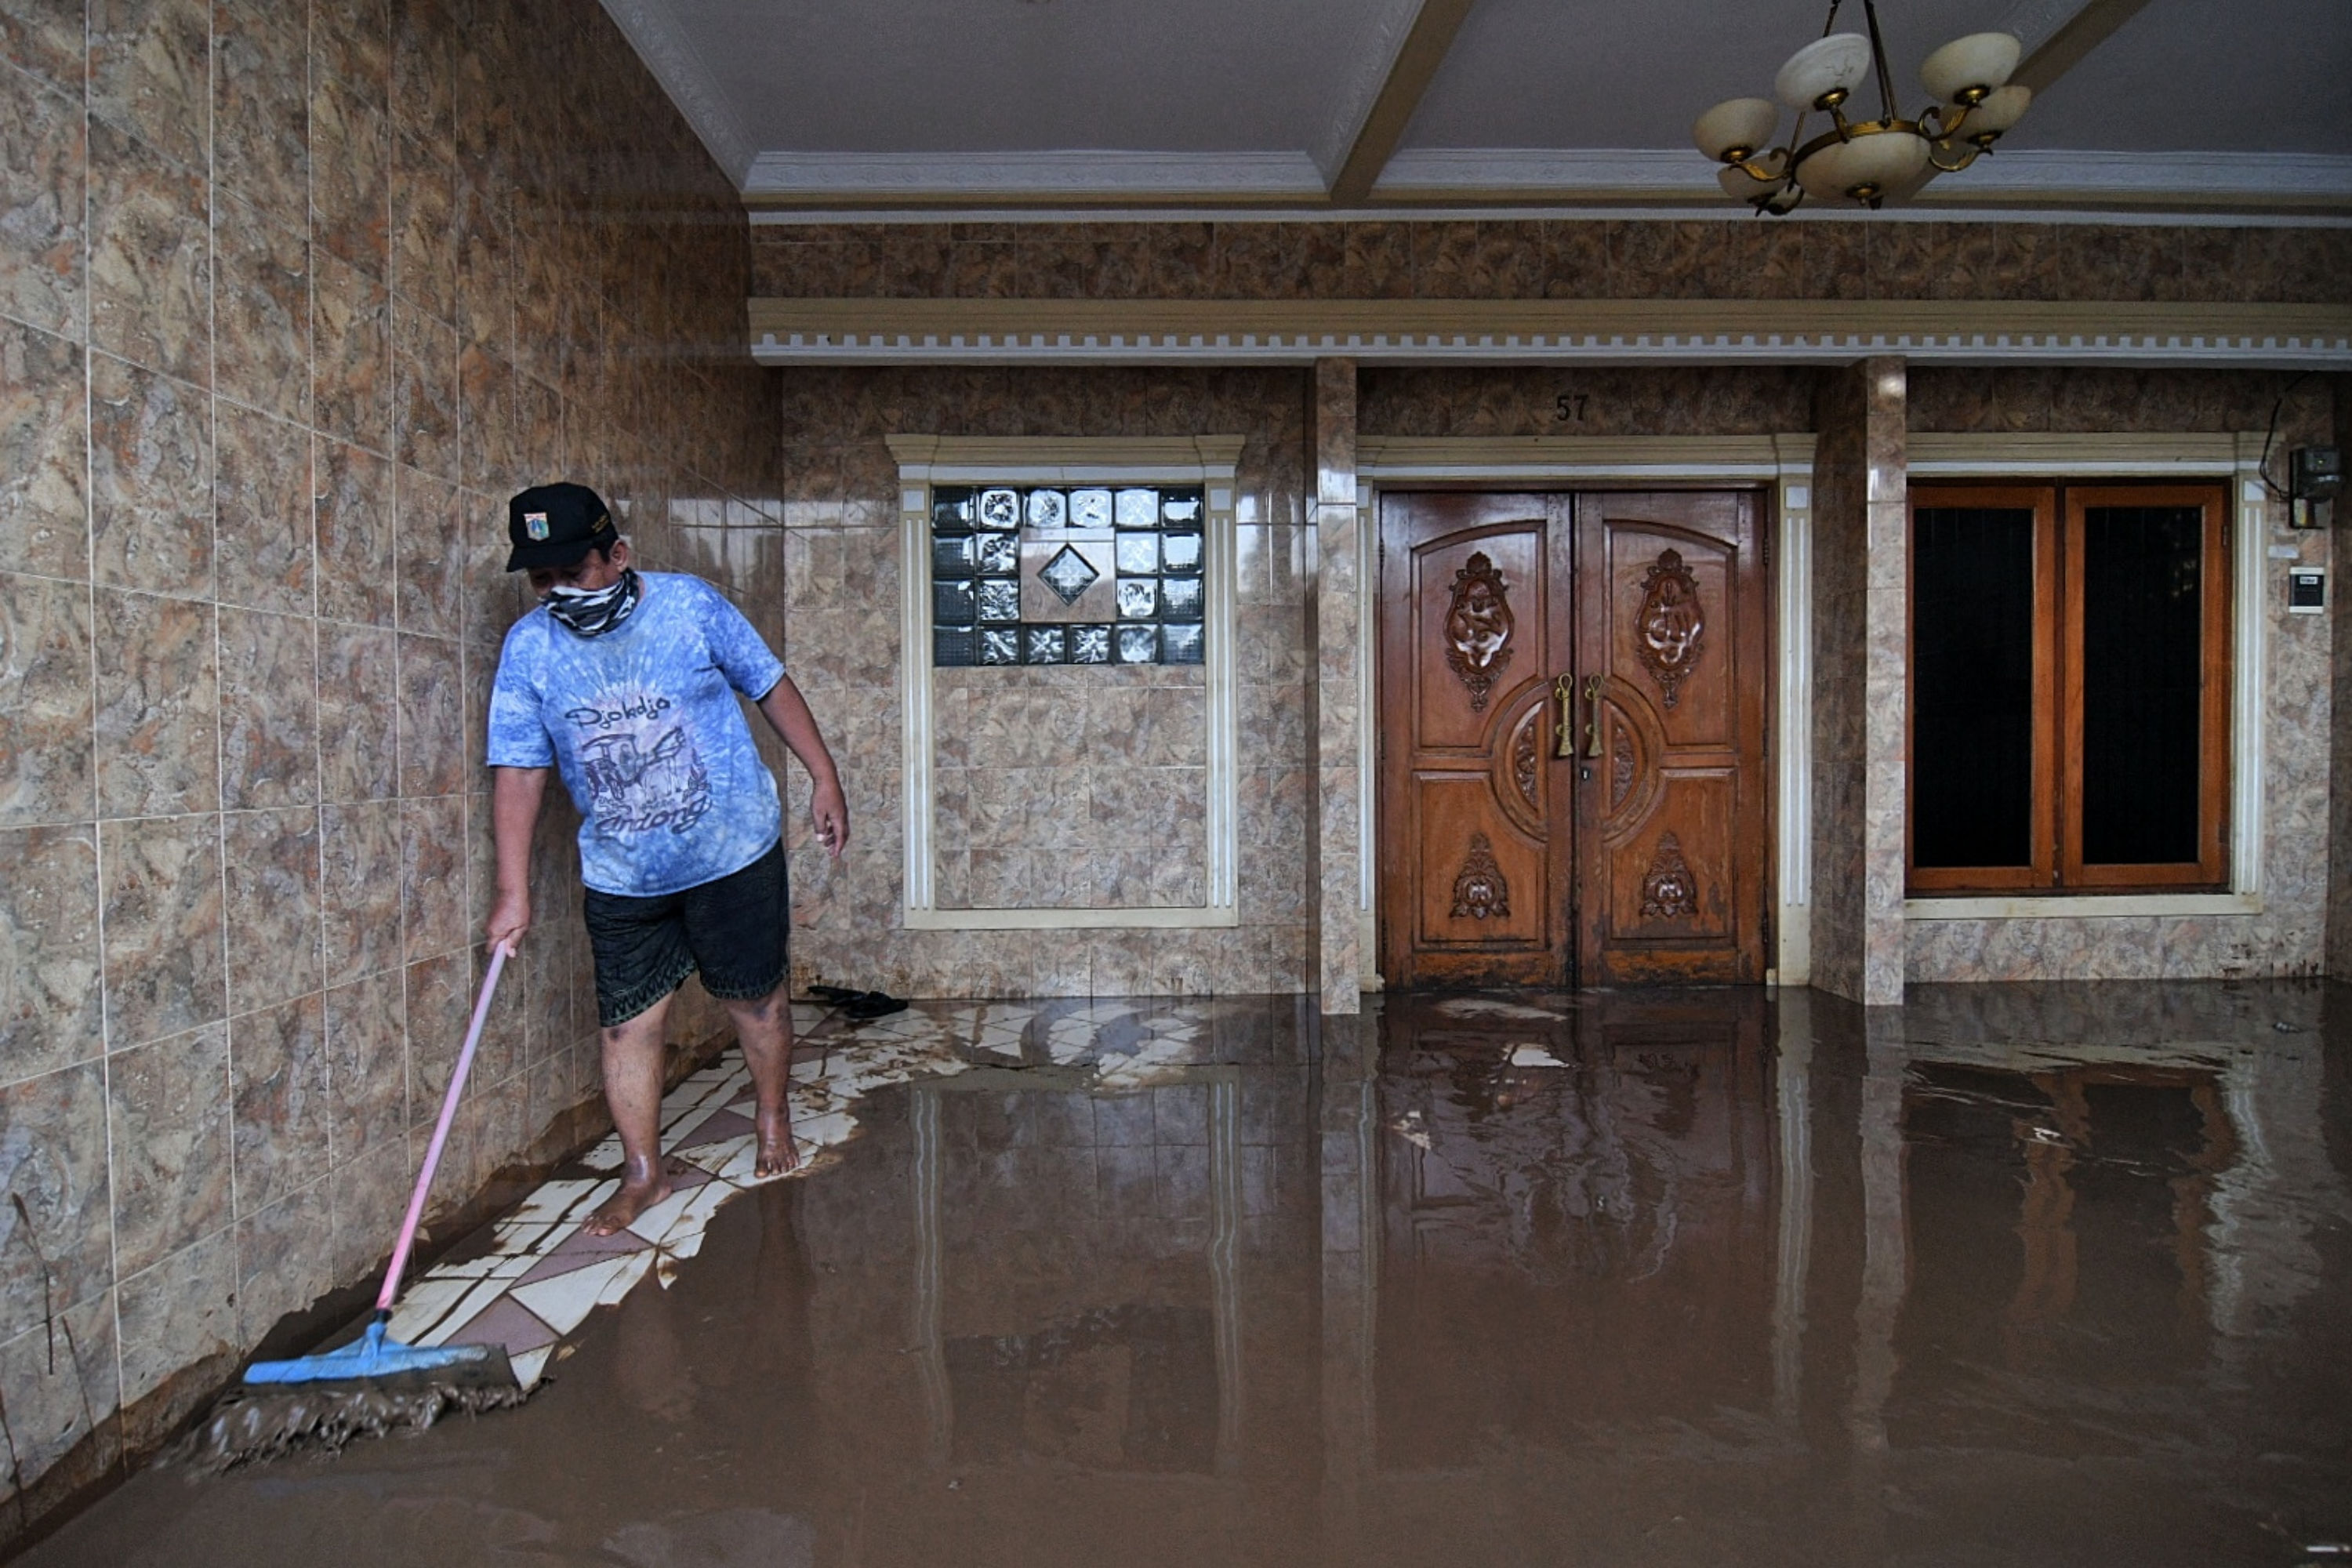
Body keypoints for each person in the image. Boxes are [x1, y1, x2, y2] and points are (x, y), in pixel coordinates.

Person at [484, 482, 847, 1236]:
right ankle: (644, 1173)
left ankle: (772, 1118)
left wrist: (824, 776)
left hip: (732, 851)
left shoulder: (690, 606)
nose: (559, 592)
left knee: (755, 1001)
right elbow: (519, 769)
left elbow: (769, 684)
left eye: (574, 572)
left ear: (618, 554)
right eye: (543, 579)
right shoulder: (529, 648)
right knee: (628, 1026)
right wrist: (512, 891)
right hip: (623, 873)